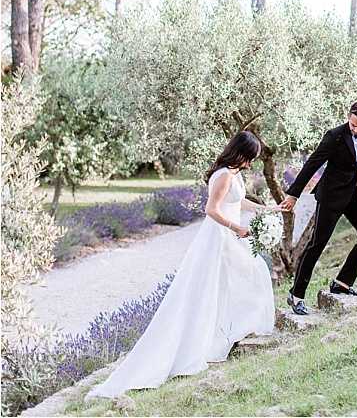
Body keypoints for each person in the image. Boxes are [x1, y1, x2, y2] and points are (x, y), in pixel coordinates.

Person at [85, 131, 275, 401]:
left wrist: (265, 210)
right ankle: (211, 338)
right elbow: (212, 209)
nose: (249, 164)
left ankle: (229, 329)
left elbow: (237, 200)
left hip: (231, 236)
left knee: (244, 277)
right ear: (240, 153)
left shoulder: (234, 174)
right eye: (249, 158)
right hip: (220, 238)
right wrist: (238, 228)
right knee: (227, 282)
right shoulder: (222, 175)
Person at [280, 101, 357, 315]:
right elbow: (313, 163)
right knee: (317, 244)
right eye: (354, 125)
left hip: (356, 196)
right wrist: (293, 194)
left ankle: (342, 283)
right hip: (331, 197)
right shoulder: (334, 136)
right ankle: (296, 295)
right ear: (348, 117)